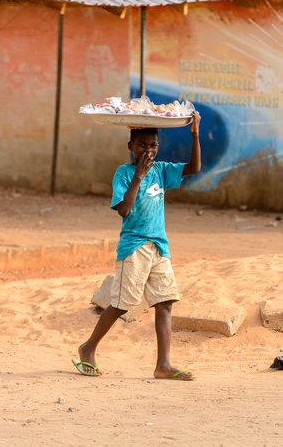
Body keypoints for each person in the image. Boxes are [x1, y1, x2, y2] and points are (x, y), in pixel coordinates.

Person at [72, 111, 201, 380]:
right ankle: (87, 348)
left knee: (165, 302)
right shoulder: (124, 173)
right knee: (121, 304)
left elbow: (194, 168)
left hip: (159, 247)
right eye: (142, 144)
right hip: (134, 247)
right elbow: (124, 210)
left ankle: (163, 365)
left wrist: (195, 133)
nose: (148, 150)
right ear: (130, 146)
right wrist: (138, 176)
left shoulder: (163, 170)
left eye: (153, 145)